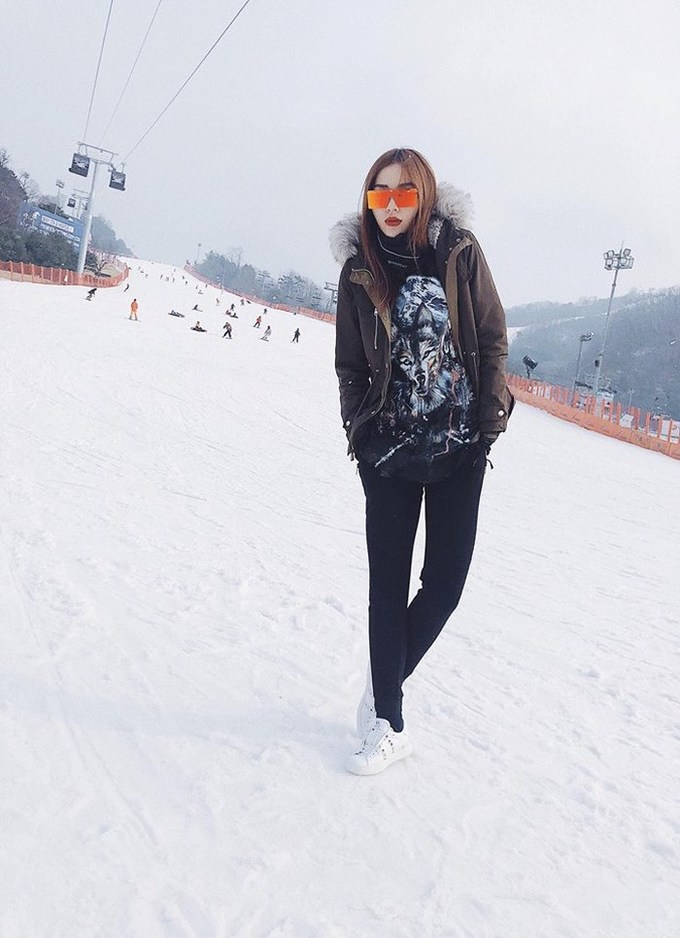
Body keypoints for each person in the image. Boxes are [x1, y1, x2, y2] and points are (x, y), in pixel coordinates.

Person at [330, 147, 513, 776]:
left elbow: (491, 337)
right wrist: (360, 434)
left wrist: (487, 425)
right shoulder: (359, 270)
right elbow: (350, 365)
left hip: (460, 446)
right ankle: (388, 722)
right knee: (386, 586)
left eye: (403, 192)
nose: (390, 205)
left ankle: (386, 680)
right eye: (379, 193)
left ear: (424, 195)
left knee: (445, 584)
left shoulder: (458, 252)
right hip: (388, 453)